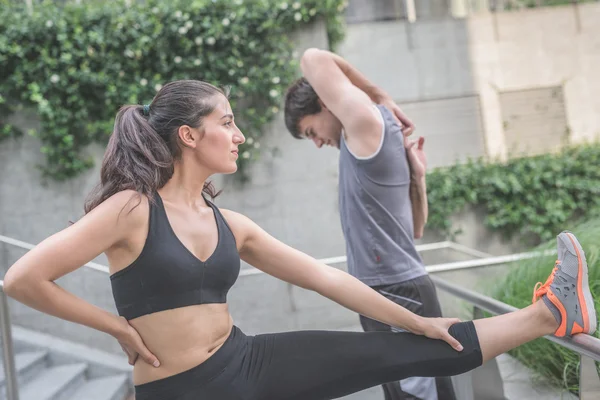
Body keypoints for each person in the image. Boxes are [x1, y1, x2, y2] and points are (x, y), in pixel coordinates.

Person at [3, 79, 596, 400]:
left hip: (248, 360)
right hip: (182, 391)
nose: (239, 136)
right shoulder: (131, 208)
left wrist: (418, 322)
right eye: (227, 122)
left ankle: (551, 313)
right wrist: (116, 327)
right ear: (189, 134)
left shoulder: (230, 224)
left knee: (404, 349)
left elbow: (328, 278)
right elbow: (22, 278)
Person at [283, 48, 452, 399]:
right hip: (381, 290)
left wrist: (382, 97)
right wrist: (418, 178)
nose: (316, 143)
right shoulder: (358, 146)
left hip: (398, 290)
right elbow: (416, 230)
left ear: (327, 103)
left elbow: (313, 57)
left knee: (418, 395)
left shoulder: (367, 127)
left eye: (311, 130)